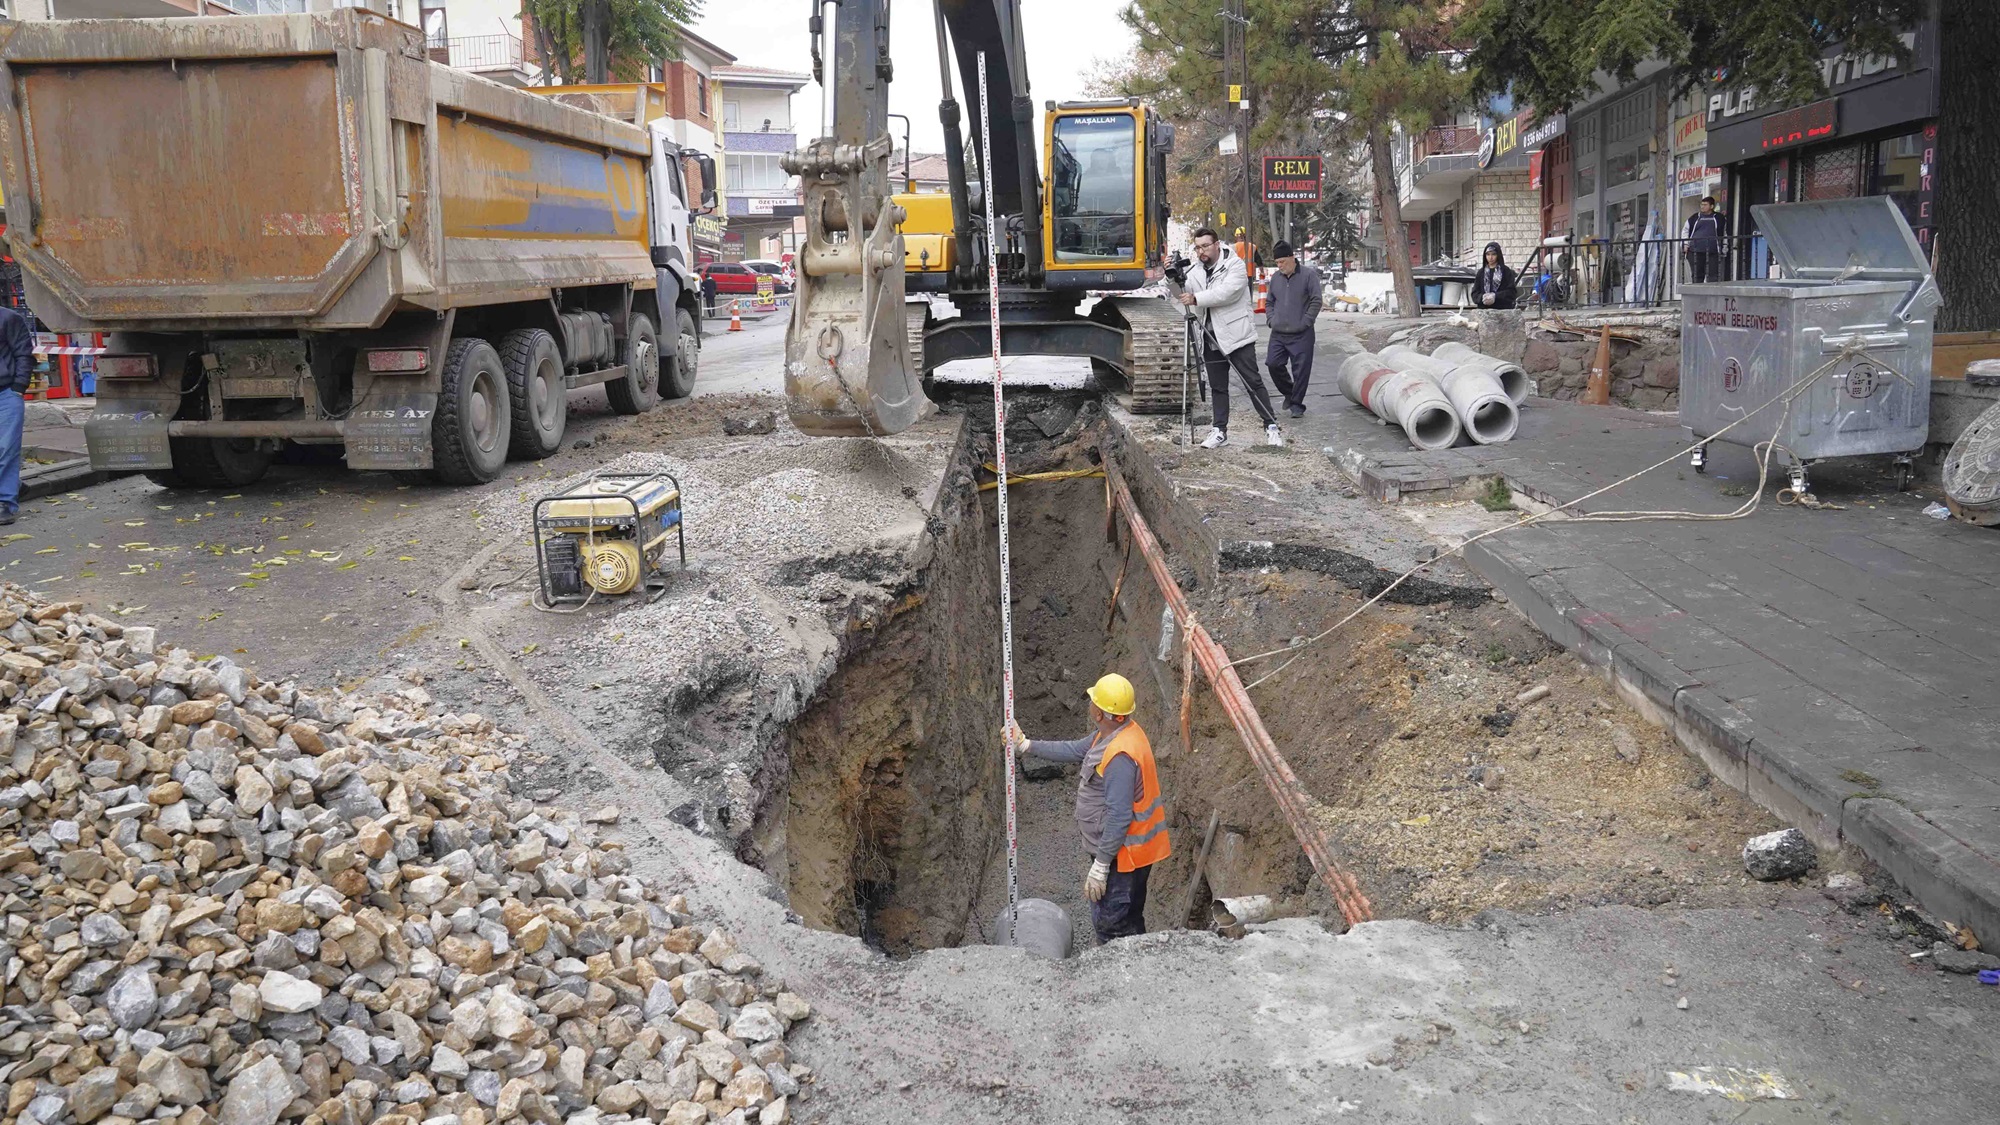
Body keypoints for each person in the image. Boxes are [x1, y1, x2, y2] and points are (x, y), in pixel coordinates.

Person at [1008, 673, 1172, 945]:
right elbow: (1074, 749)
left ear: (1100, 713)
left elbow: (1119, 817)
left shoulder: (1120, 756)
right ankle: (1142, 965)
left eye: (1093, 701)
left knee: (1112, 925)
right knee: (1130, 919)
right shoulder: (1114, 733)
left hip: (1125, 858)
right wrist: (1026, 745)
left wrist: (1102, 865)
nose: (1090, 704)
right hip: (1127, 853)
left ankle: (1115, 977)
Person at [1179, 227, 1283, 449]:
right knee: (1218, 386)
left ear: (1217, 244)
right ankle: (1219, 431)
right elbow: (1183, 292)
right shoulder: (1196, 269)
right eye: (1197, 247)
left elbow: (1228, 293)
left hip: (1237, 335)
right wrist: (1173, 276)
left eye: (1205, 246)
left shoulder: (1234, 265)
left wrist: (1196, 298)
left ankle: (1271, 426)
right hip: (1209, 335)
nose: (1201, 251)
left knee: (1252, 382)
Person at [1262, 240, 1322, 418]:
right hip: (1278, 333)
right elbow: (1269, 302)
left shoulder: (1308, 276)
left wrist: (1306, 321)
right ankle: (1289, 392)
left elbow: (1316, 300)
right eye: (1277, 263)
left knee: (1301, 370)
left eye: (1282, 262)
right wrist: (1271, 320)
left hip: (1302, 333)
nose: (1279, 266)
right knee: (1273, 364)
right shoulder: (1275, 278)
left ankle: (1297, 404)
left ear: (1292, 258)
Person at [0, 301, 29, 526]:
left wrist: (18, 388)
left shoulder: (8, 318)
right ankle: (13, 486)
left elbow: (23, 354)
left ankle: (6, 503)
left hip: (6, 393)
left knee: (7, 448)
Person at [1684, 196, 1726, 284]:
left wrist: (1724, 248)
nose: (1702, 207)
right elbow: (1685, 231)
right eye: (1701, 205)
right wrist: (1685, 244)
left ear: (1712, 206)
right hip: (1695, 251)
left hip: (1713, 252)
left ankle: (1711, 296)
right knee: (1697, 276)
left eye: (1705, 205)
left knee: (1713, 276)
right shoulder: (1694, 218)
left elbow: (1724, 233)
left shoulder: (1719, 218)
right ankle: (1697, 296)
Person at [1471, 242, 1517, 310]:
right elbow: (1474, 293)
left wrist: (1496, 296)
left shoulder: (1506, 271)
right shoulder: (1481, 273)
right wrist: (1483, 297)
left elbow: (1512, 292)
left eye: (1493, 254)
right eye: (1488, 254)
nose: (1490, 257)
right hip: (1484, 311)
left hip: (1503, 310)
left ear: (1498, 255)